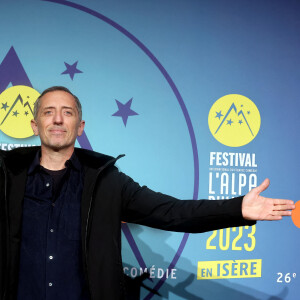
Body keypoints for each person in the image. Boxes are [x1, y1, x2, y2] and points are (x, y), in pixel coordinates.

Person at [0, 86, 294, 300]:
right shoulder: (6, 178)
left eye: (68, 113)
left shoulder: (108, 182)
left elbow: (171, 212)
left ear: (80, 127)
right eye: (48, 112)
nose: (58, 119)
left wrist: (237, 208)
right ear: (34, 124)